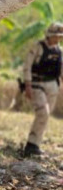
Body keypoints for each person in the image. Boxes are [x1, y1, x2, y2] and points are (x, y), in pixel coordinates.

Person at [22, 22, 63, 157]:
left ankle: (34, 145)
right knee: (43, 113)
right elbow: (27, 66)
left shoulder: (59, 51)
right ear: (50, 35)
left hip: (53, 86)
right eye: (56, 35)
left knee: (44, 116)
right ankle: (31, 145)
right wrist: (27, 85)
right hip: (37, 84)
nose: (58, 38)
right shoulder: (38, 47)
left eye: (60, 36)